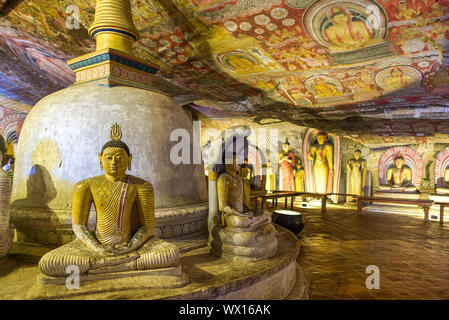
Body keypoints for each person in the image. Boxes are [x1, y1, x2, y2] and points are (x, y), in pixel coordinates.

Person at [38, 124, 180, 277]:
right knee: (50, 262)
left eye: (119, 158)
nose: (114, 162)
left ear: (129, 158)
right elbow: (79, 226)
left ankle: (101, 266)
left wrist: (130, 246)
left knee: (170, 253)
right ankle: (126, 264)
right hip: (95, 246)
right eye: (109, 157)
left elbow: (147, 227)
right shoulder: (85, 186)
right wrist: (97, 248)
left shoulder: (142, 186)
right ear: (100, 158)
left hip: (131, 245)